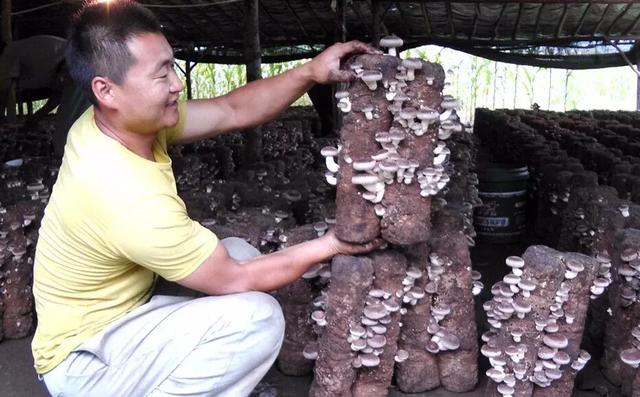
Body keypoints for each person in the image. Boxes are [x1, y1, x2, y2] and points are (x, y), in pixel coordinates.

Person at [31, 1, 381, 396]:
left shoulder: (113, 123)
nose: (177, 83)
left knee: (236, 250)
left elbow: (230, 109)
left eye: (172, 66)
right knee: (257, 318)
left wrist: (311, 72)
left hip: (122, 316)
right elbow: (238, 280)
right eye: (161, 73)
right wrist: (331, 243)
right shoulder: (123, 194)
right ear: (106, 90)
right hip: (84, 362)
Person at [0, 35, 67, 124]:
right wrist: (37, 116)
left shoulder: (7, 54)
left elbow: (4, 89)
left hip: (76, 61)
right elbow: (60, 92)